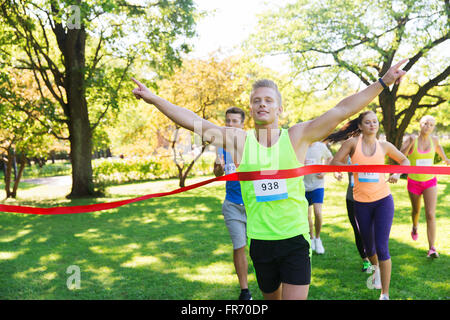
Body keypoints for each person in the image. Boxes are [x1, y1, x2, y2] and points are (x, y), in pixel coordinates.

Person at [131, 59, 407, 300]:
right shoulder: (238, 140)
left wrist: (382, 82)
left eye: (268, 100)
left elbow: (342, 109)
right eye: (256, 101)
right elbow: (193, 122)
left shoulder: (297, 136)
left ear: (279, 109)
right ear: (251, 109)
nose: (262, 104)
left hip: (295, 239)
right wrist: (155, 98)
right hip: (261, 241)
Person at [328, 110, 410, 300]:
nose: (373, 125)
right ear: (360, 126)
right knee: (368, 247)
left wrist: (397, 173)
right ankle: (376, 271)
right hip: (361, 203)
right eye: (368, 122)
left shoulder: (384, 146)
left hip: (383, 201)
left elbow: (404, 160)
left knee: (382, 247)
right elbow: (335, 161)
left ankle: (384, 293)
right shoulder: (352, 143)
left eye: (375, 122)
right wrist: (348, 170)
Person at [213, 106, 252, 300]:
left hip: (254, 206)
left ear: (242, 124)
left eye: (234, 121)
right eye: (227, 121)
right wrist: (218, 167)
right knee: (239, 246)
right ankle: (245, 291)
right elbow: (218, 174)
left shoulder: (251, 144)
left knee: (261, 248)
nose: (230, 124)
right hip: (232, 205)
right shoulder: (222, 146)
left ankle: (268, 283)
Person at [400, 115, 450, 258]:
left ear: (433, 127)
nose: (428, 126)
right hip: (414, 182)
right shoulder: (412, 140)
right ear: (420, 125)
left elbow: (441, 153)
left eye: (431, 124)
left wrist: (446, 160)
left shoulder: (434, 141)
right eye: (425, 123)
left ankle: (432, 248)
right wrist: (408, 144)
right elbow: (400, 156)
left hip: (430, 182)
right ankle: (415, 226)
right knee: (416, 211)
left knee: (430, 214)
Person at [303, 141, 334, 254]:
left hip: (317, 185)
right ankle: (311, 239)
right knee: (307, 216)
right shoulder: (301, 145)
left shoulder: (320, 146)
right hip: (303, 186)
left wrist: (324, 172)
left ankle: (318, 238)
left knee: (318, 212)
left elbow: (330, 158)